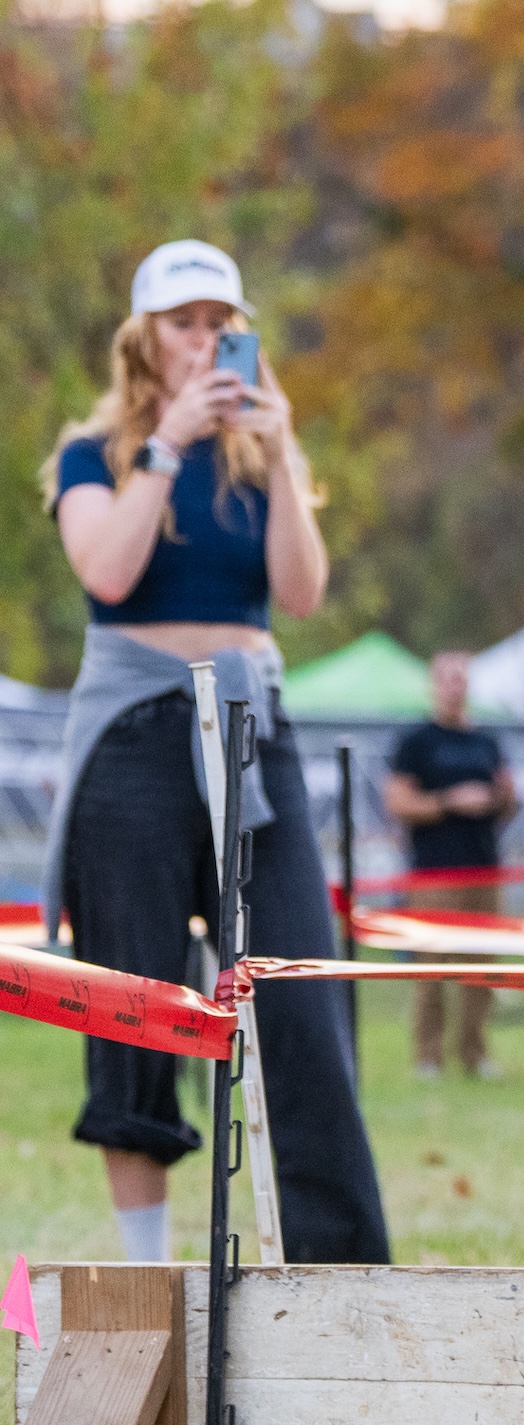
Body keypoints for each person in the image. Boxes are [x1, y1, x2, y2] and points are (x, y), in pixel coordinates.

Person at [39, 239, 388, 1264]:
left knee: (295, 989)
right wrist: (165, 445)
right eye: (183, 323)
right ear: (143, 339)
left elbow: (302, 592)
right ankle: (144, 1270)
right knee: (137, 994)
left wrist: (281, 453)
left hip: (250, 725)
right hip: (136, 732)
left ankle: (337, 1263)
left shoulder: (256, 454)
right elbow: (107, 571)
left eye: (218, 323)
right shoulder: (93, 452)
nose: (203, 341)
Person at [385, 651, 517, 1080]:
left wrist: (500, 797)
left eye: (461, 678)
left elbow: (509, 802)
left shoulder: (487, 742)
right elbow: (399, 802)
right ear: (434, 684)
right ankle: (428, 1057)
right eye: (447, 678)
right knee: (432, 967)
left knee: (481, 968)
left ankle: (475, 1054)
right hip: (433, 873)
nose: (454, 686)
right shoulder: (416, 742)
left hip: (484, 868)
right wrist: (448, 801)